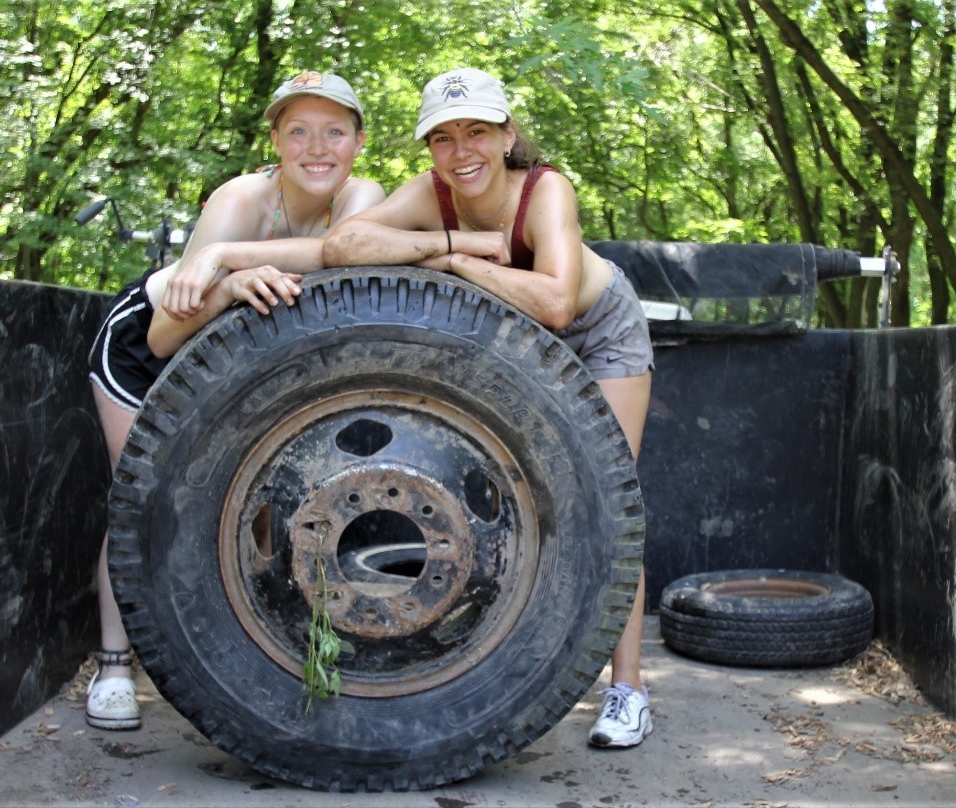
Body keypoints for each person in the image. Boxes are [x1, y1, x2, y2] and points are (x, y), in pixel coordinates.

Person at [322, 67, 654, 748]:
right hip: (513, 338)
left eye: (476, 130)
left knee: (609, 503)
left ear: (507, 134)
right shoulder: (434, 196)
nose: (461, 150)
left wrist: (460, 269)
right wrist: (450, 244)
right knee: (526, 498)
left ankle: (627, 690)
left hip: (598, 333)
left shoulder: (545, 190)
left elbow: (557, 302)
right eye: (442, 138)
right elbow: (342, 246)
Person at [85, 71, 385, 730]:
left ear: (359, 142)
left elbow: (341, 256)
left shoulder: (363, 196)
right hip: (149, 350)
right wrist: (225, 285)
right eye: (299, 131)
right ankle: (113, 665)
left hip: (245, 361)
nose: (318, 147)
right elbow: (166, 336)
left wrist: (233, 261)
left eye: (335, 131)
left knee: (247, 511)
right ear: (274, 140)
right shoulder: (239, 200)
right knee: (140, 504)